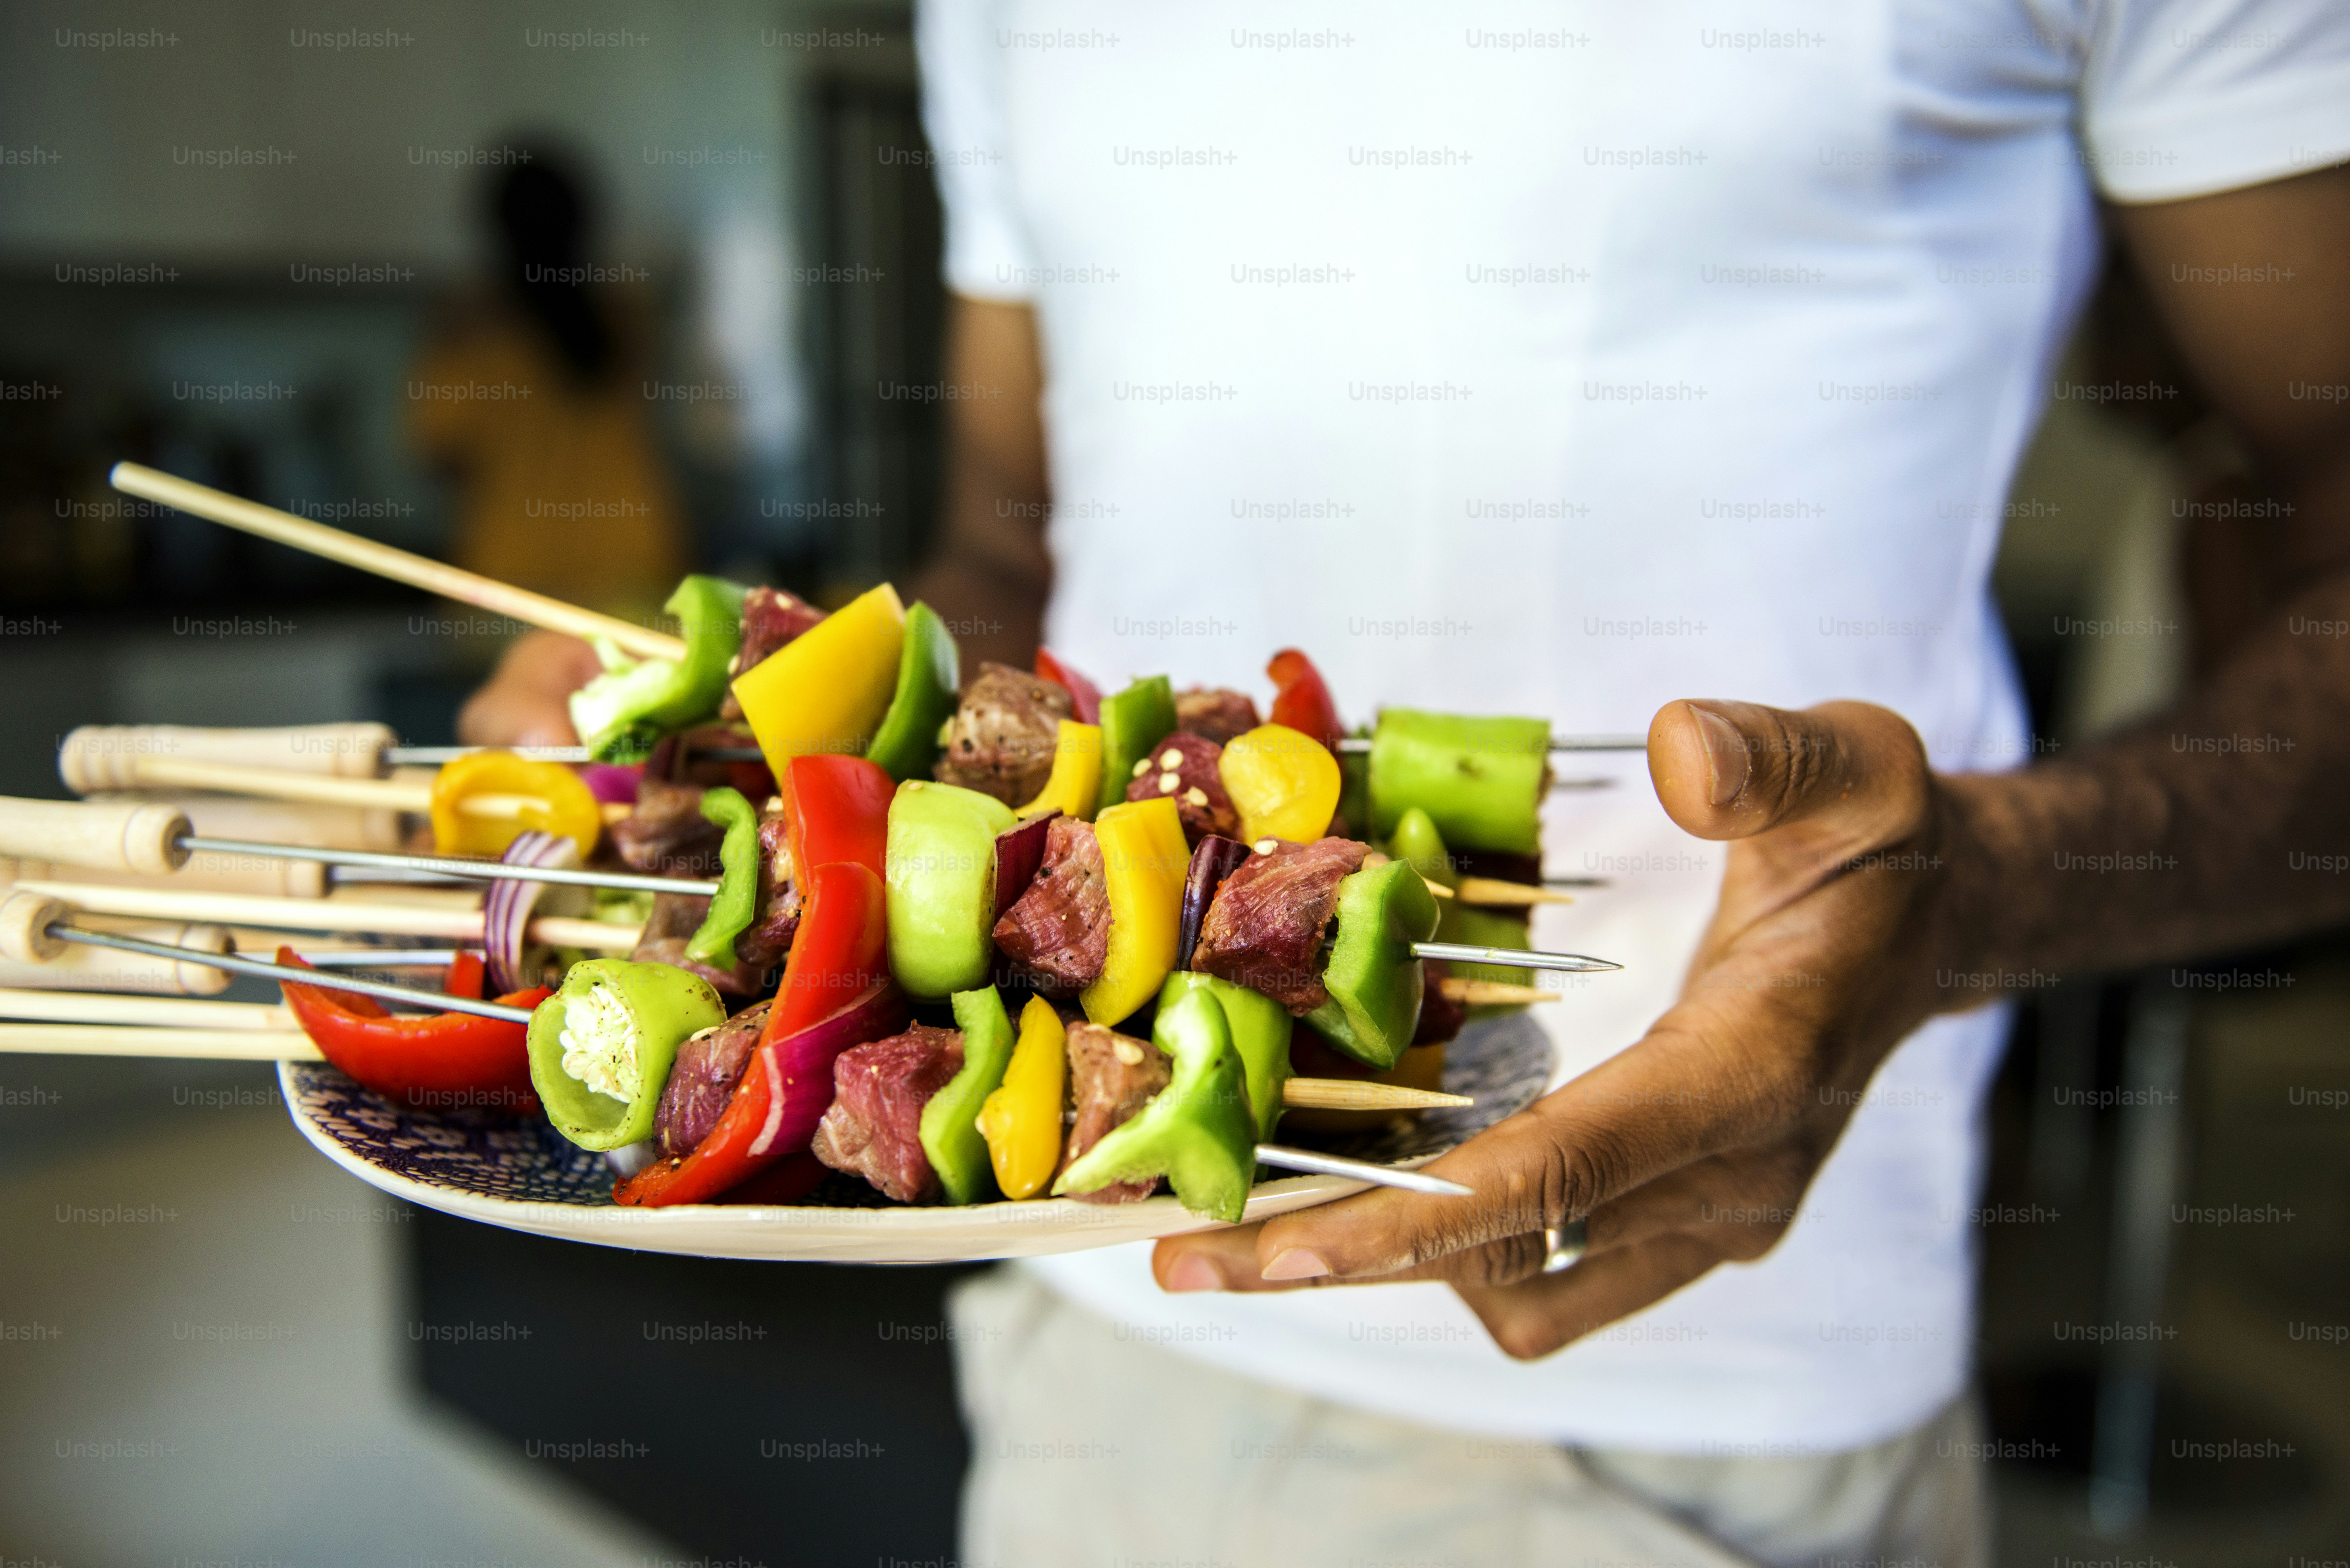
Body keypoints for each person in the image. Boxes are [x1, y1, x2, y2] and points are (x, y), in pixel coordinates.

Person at [462, 4, 2350, 1562]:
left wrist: (1986, 887)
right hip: (1097, 1342)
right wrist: (739, 749)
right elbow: (1009, 551)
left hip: (1702, 1411)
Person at [410, 144, 686, 623]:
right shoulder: (628, 319)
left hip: (511, 584)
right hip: (635, 570)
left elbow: (437, 454)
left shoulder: (468, 339)